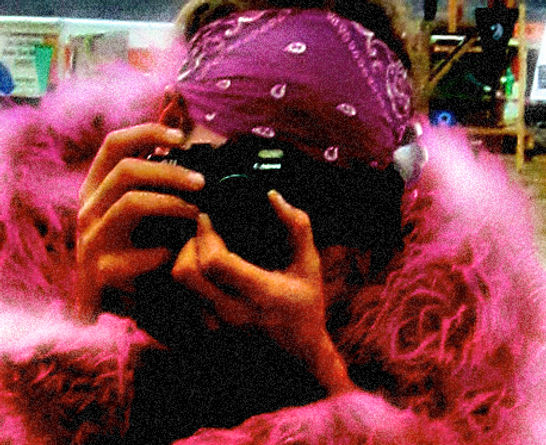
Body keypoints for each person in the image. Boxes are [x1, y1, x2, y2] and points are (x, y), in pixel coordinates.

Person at [0, 1, 544, 444]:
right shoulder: (72, 245)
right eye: (234, 173)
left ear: (373, 203)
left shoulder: (442, 342)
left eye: (310, 192)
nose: (261, 215)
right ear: (168, 133)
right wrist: (80, 348)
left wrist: (325, 380)